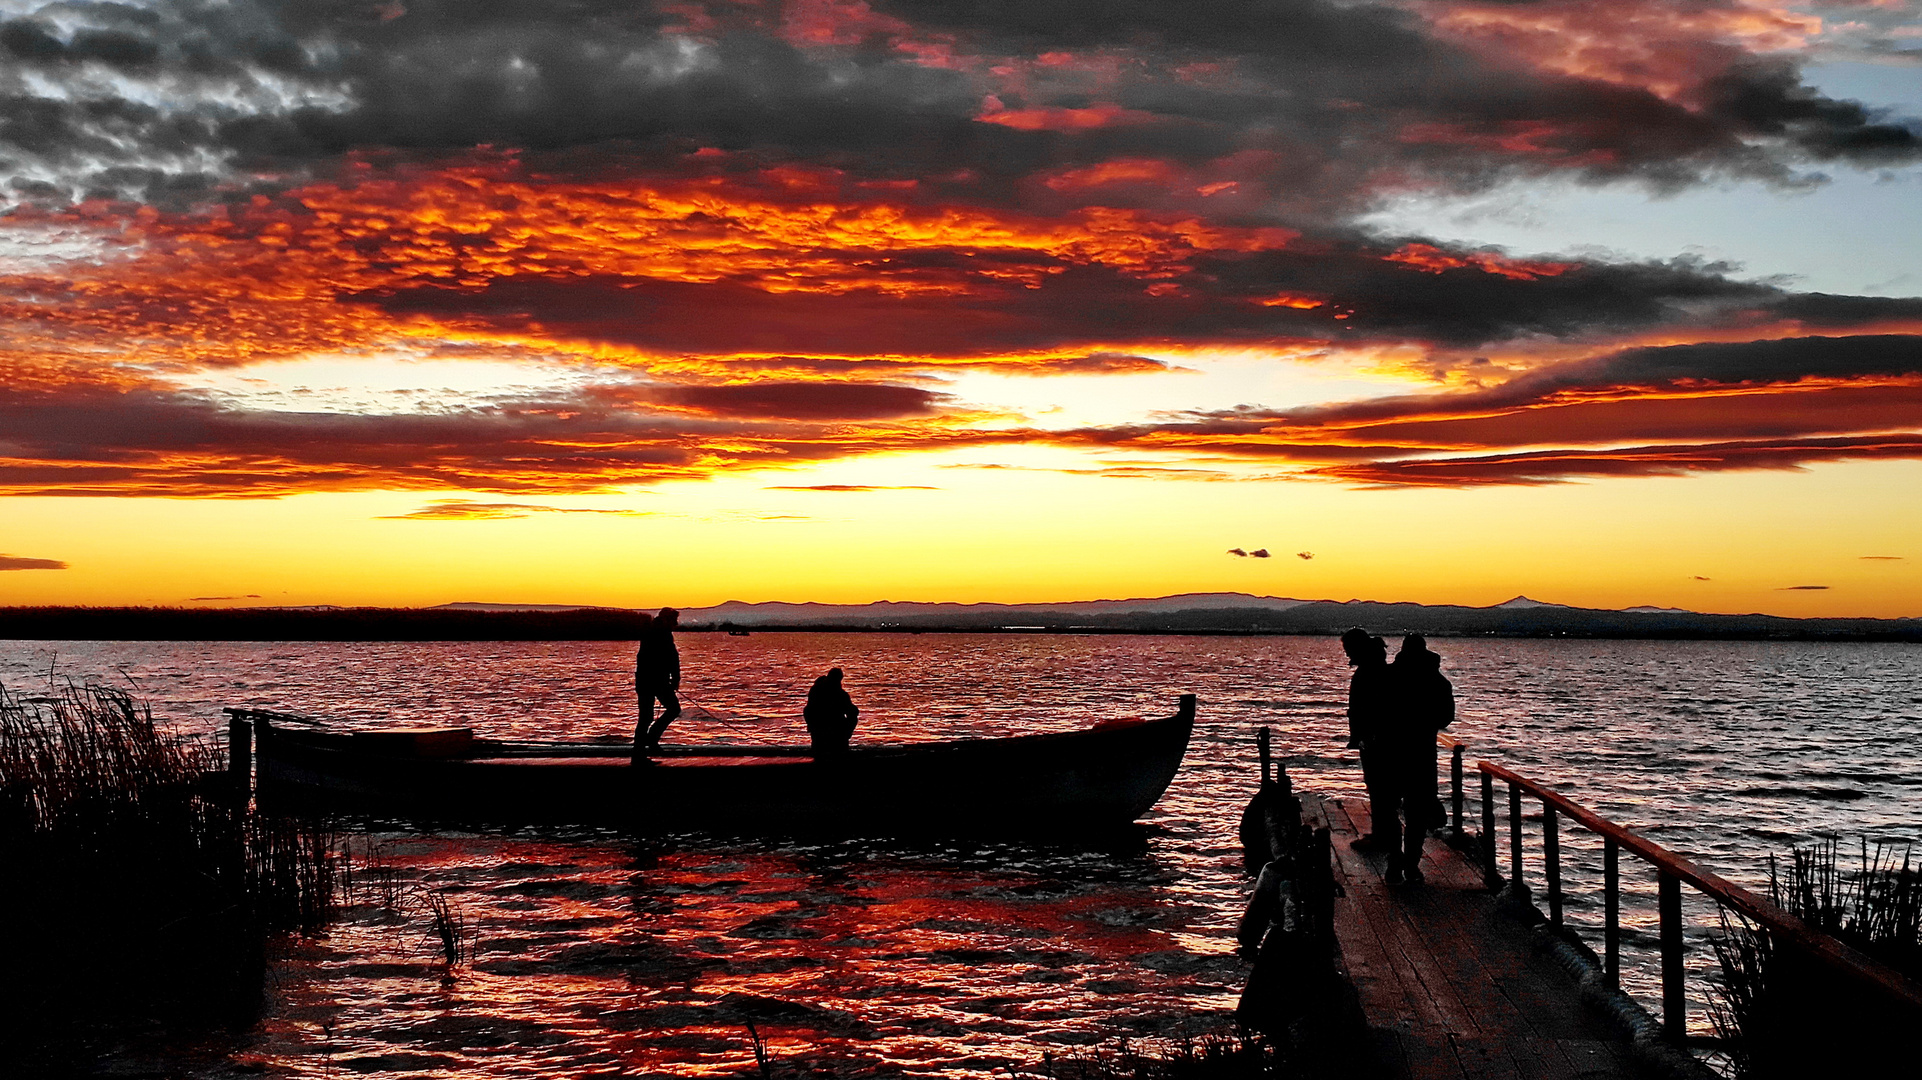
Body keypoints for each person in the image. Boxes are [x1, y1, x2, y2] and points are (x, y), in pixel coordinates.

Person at [1379, 634, 1455, 885]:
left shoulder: (1388, 677)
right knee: (1417, 812)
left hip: (1391, 751)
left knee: (1389, 809)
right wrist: (1426, 725)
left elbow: (1374, 711)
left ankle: (1393, 861)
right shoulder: (1438, 681)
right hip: (1423, 753)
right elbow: (1446, 717)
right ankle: (1411, 864)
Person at [1339, 628, 1396, 851]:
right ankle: (1382, 834)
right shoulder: (1376, 668)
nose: (1346, 654)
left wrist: (1366, 736)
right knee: (1380, 789)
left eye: (1347, 649)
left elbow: (1371, 709)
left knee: (1379, 788)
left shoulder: (1370, 672)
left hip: (1376, 741)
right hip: (1374, 738)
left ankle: (1383, 837)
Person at [633, 607, 681, 757]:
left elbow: (643, 658)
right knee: (673, 709)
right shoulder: (663, 634)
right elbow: (672, 658)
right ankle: (650, 739)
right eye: (674, 620)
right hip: (656, 681)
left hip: (644, 680)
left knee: (645, 716)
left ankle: (640, 748)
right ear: (667, 619)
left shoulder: (649, 632)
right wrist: (675, 678)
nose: (675, 623)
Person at [803, 667, 859, 756]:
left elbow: (808, 711)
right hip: (833, 730)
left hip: (822, 729)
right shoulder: (839, 694)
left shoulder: (817, 691)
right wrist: (848, 731)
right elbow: (851, 712)